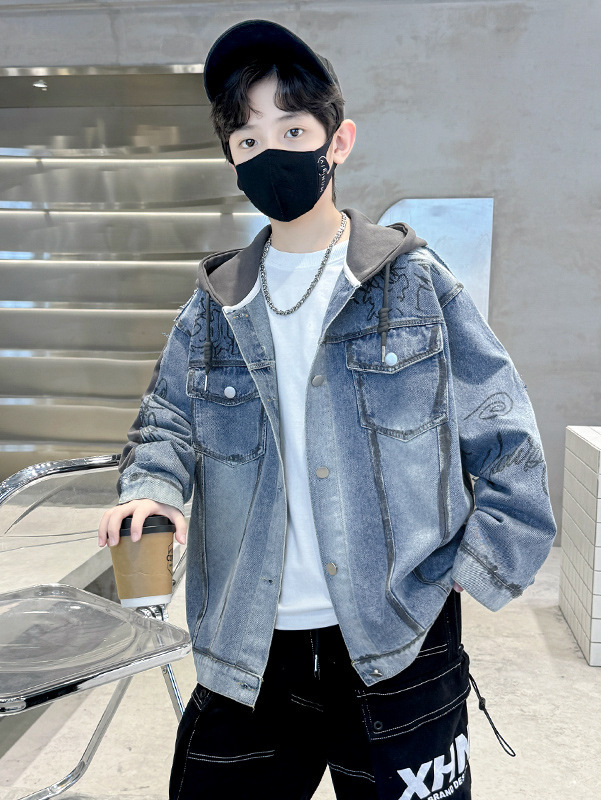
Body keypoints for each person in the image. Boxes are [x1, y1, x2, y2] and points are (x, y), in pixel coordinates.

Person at [98, 18, 557, 800]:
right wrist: (152, 488)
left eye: (292, 131)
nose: (269, 152)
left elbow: (505, 432)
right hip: (249, 645)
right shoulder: (213, 307)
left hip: (398, 636)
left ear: (337, 142)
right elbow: (168, 423)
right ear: (232, 161)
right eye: (247, 140)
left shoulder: (416, 286)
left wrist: (469, 570)